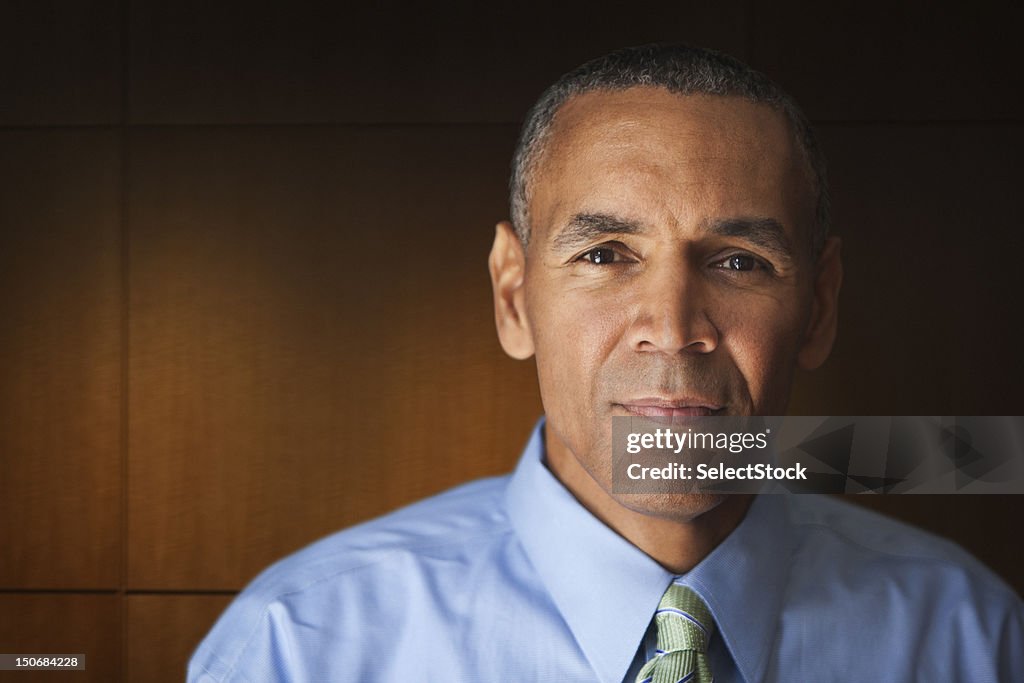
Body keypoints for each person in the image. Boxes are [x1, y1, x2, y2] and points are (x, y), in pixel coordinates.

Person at [188, 44, 1023, 682]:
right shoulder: (297, 647)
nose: (671, 327)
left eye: (738, 260)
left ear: (821, 305)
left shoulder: (973, 639)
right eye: (604, 254)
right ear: (513, 297)